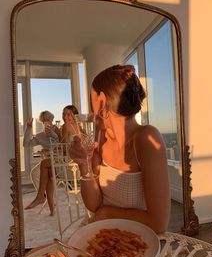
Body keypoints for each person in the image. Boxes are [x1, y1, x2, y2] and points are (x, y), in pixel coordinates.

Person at [70, 64, 170, 234]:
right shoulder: (100, 136)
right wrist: (83, 164)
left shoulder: (146, 139)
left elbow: (158, 224)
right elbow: (93, 204)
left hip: (136, 242)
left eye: (91, 101)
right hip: (102, 232)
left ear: (101, 101)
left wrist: (107, 213)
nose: (91, 111)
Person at [23, 110, 59, 215]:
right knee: (34, 174)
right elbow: (26, 144)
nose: (48, 123)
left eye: (49, 120)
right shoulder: (40, 135)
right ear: (42, 122)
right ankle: (45, 199)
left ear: (52, 120)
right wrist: (28, 128)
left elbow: (61, 144)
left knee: (46, 169)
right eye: (45, 121)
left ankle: (41, 198)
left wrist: (52, 133)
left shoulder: (57, 130)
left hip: (58, 161)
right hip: (48, 161)